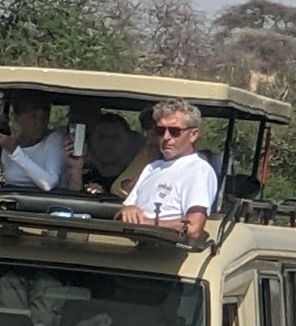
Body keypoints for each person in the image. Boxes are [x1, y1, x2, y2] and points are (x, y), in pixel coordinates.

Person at [120, 101, 219, 237]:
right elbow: (121, 214)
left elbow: (193, 228)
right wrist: (128, 210)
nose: (166, 137)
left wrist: (142, 224)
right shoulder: (152, 167)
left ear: (193, 135)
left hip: (168, 252)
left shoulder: (198, 170)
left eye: (175, 131)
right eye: (160, 131)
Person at [0, 90, 73, 193]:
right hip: (13, 205)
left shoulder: (54, 139)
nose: (39, 123)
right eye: (33, 117)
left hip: (47, 207)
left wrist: (15, 152)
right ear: (16, 117)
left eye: (44, 117)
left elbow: (48, 183)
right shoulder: (5, 145)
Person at [72, 108, 153, 200]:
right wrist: (75, 170)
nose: (108, 142)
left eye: (115, 137)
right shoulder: (80, 175)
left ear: (128, 141)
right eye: (101, 136)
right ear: (90, 141)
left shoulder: (139, 177)